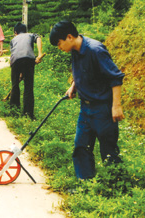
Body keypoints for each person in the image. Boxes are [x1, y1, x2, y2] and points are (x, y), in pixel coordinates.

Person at [49, 20, 125, 179]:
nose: (59, 48)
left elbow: (115, 78)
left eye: (59, 43)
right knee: (81, 146)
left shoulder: (95, 50)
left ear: (69, 37)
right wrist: (74, 86)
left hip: (103, 108)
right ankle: (85, 183)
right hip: (86, 108)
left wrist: (116, 106)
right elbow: (84, 71)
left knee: (108, 150)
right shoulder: (75, 50)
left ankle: (115, 185)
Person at [9, 23, 43, 119]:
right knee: (28, 87)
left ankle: (14, 110)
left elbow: (14, 53)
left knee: (15, 85)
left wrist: (19, 72)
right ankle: (28, 113)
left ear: (15, 32)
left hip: (15, 61)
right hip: (29, 60)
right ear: (26, 31)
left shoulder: (13, 40)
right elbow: (39, 38)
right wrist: (39, 54)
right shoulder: (31, 35)